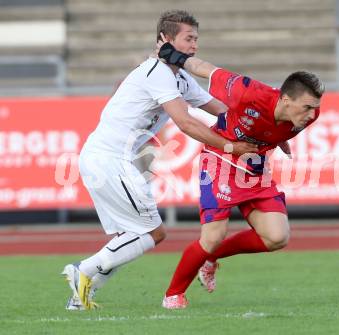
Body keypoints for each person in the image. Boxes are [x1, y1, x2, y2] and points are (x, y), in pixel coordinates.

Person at [61, 10, 257, 311]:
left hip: (106, 158)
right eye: (188, 39)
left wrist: (260, 127)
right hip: (109, 159)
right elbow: (186, 123)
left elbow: (220, 108)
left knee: (125, 237)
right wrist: (231, 147)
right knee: (153, 233)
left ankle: (81, 296)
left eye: (196, 39)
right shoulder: (157, 73)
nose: (194, 46)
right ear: (165, 39)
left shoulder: (179, 77)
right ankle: (83, 271)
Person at [157, 41, 324, 309]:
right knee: (212, 235)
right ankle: (173, 295)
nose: (312, 114)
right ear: (285, 99)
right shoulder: (250, 93)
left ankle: (211, 258)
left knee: (277, 236)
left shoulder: (308, 116)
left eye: (315, 107)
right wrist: (173, 55)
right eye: (306, 107)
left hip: (254, 167)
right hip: (221, 159)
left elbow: (274, 130)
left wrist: (279, 139)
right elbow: (207, 69)